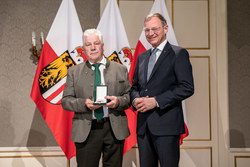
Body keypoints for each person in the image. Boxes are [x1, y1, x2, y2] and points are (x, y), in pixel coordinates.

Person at [130, 13, 194, 167]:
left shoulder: (178, 54)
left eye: (155, 29)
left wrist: (157, 101)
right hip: (143, 128)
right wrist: (135, 98)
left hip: (167, 127)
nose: (150, 33)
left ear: (165, 29)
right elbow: (134, 87)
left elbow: (187, 87)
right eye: (147, 30)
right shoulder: (142, 57)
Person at [61, 28, 131, 167]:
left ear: (103, 46)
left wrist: (118, 102)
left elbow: (129, 97)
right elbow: (66, 101)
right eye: (88, 44)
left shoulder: (120, 69)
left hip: (114, 129)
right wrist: (84, 103)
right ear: (83, 48)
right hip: (87, 130)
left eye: (96, 43)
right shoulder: (74, 72)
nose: (93, 47)